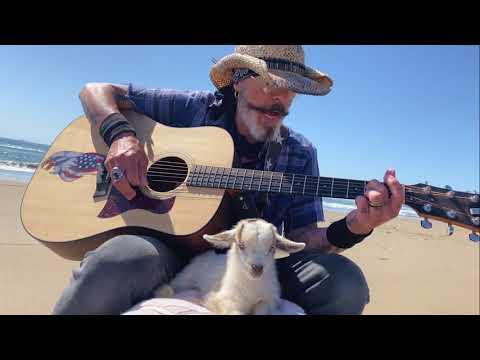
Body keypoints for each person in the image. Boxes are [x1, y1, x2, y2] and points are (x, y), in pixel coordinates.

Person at [52, 45, 404, 315]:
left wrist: (353, 226)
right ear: (238, 79)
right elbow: (95, 91)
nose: (280, 100)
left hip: (254, 263)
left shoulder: (298, 152)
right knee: (111, 265)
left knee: (345, 282)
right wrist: (121, 136)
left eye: (291, 89)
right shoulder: (192, 109)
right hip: (167, 246)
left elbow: (298, 239)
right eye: (271, 84)